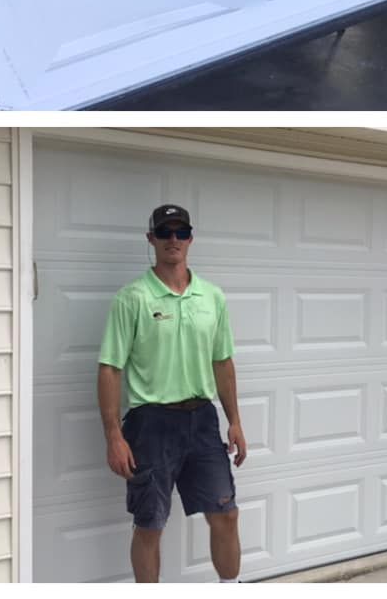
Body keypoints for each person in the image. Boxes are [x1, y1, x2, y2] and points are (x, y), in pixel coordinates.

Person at [97, 204, 247, 583]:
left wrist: (236, 422)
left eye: (181, 233)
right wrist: (114, 436)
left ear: (191, 239)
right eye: (165, 233)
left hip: (202, 421)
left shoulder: (212, 297)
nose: (173, 240)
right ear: (152, 240)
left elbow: (223, 363)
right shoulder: (131, 298)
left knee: (226, 514)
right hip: (151, 424)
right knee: (150, 524)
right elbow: (110, 369)